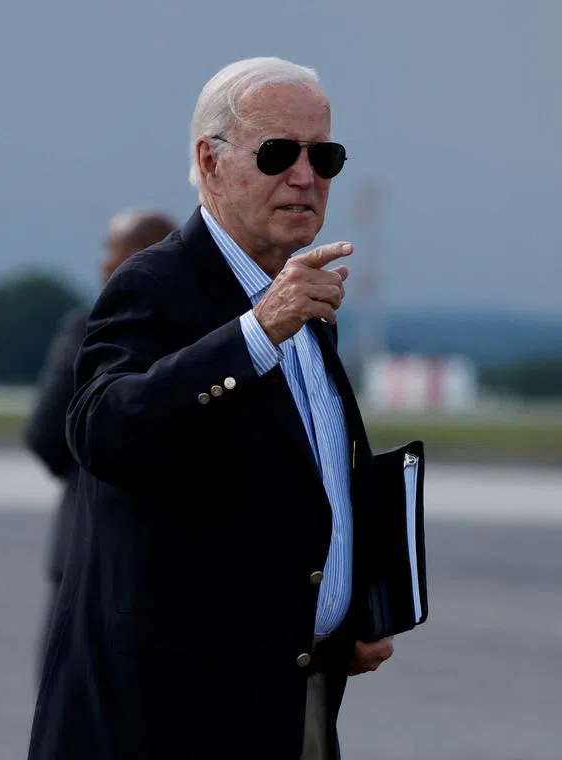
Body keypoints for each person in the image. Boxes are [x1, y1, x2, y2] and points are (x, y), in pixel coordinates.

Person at [27, 57, 397, 760]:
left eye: (324, 156)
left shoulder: (303, 300)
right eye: (279, 153)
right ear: (211, 161)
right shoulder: (157, 283)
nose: (305, 175)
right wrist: (255, 333)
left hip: (287, 697)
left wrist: (341, 614)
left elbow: (290, 485)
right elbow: (101, 428)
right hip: (175, 721)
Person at [22, 208, 177, 690]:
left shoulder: (90, 328)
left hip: (85, 555)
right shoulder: (205, 335)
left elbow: (45, 434)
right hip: (169, 570)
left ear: (135, 259)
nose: (104, 262)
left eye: (113, 248)